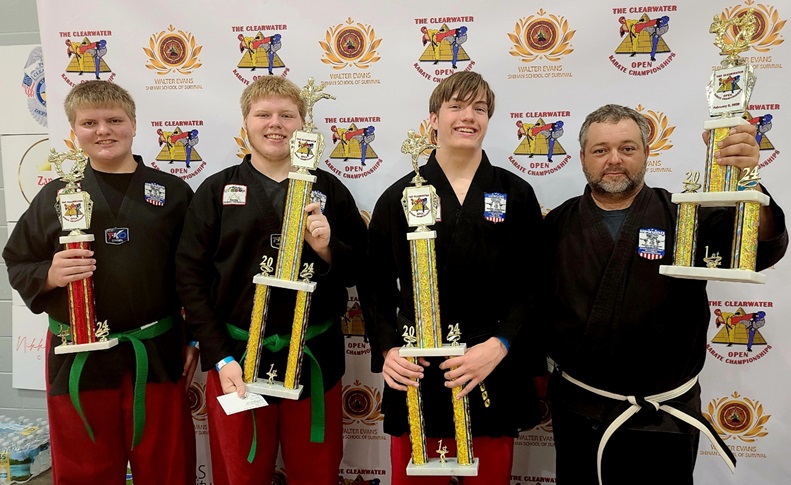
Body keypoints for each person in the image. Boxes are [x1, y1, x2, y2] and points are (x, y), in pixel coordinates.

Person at [542, 104, 788, 484]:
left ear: (646, 152)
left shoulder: (685, 215)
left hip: (666, 418)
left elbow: (757, 249)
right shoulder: (557, 224)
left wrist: (747, 181)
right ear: (581, 157)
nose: (614, 160)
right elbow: (528, 305)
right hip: (580, 413)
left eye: (627, 148)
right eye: (600, 150)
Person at [3, 80, 197, 484]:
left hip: (155, 349)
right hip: (78, 352)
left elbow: (197, 272)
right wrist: (49, 274)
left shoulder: (173, 193)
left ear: (134, 124)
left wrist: (195, 337)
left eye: (114, 120)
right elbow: (18, 258)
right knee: (84, 468)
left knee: (165, 463)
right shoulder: (57, 195)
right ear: (74, 131)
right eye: (89, 122)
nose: (103, 130)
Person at [175, 76, 367, 485]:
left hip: (314, 356)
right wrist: (220, 356)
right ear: (245, 122)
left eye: (287, 115)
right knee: (240, 473)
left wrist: (328, 249)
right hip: (237, 359)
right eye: (263, 114)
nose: (275, 123)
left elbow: (362, 269)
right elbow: (190, 278)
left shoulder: (329, 188)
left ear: (303, 123)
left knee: (316, 472)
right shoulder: (216, 190)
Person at [365, 71, 545, 484]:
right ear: (433, 119)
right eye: (456, 106)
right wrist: (389, 350)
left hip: (490, 366)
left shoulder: (514, 193)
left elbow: (533, 283)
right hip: (419, 368)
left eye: (479, 108)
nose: (469, 116)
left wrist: (501, 345)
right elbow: (374, 284)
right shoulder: (399, 196)